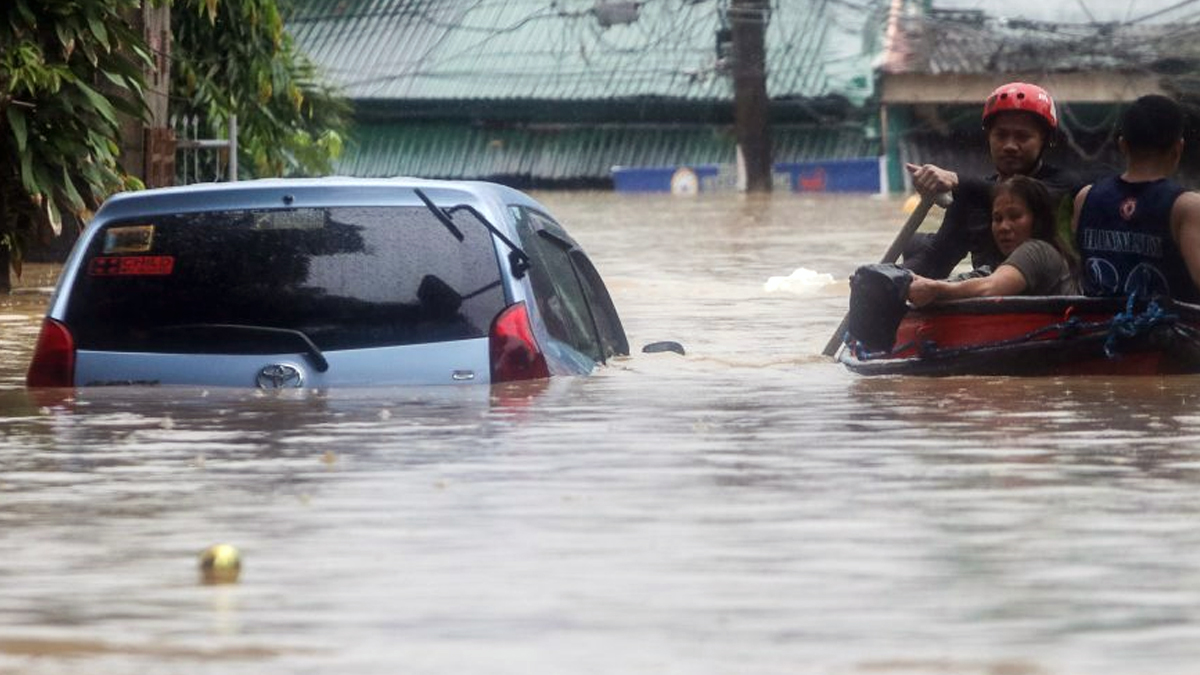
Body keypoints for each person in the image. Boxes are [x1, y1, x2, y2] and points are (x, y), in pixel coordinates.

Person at [903, 82, 1080, 279]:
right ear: (988, 137)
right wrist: (893, 278)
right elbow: (936, 259)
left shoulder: (1063, 187)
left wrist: (957, 180)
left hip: (1048, 299)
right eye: (1001, 135)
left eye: (1023, 136)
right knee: (915, 245)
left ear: (1046, 141)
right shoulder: (971, 197)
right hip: (986, 296)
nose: (1010, 146)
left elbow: (1025, 194)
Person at [1071, 94, 1200, 304]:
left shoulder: (1085, 198)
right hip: (1168, 334)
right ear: (1178, 149)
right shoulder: (1186, 207)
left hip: (1094, 333)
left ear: (1123, 145)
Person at [907, 175, 1077, 306]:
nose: (1003, 226)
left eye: (1015, 216)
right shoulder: (998, 266)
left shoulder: (1039, 250)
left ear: (1038, 221)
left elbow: (989, 288)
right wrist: (913, 283)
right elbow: (970, 281)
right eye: (997, 218)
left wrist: (936, 290)